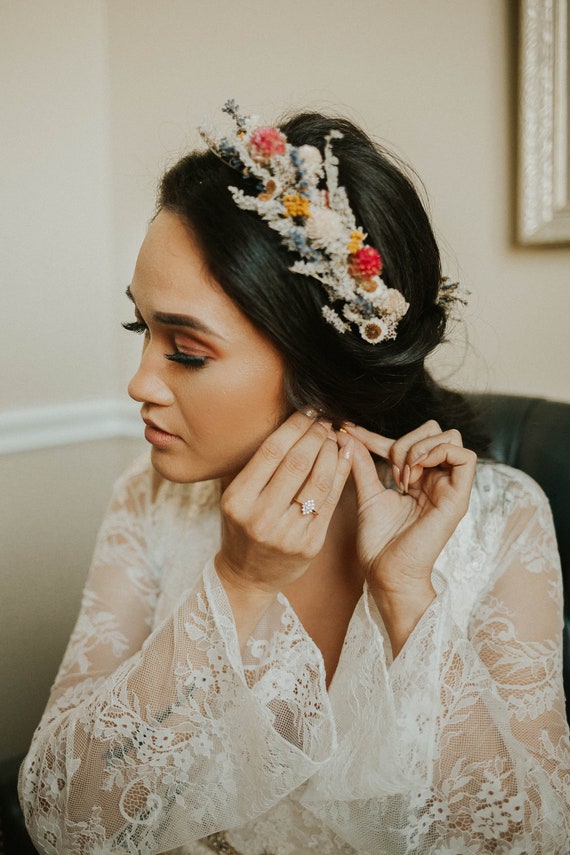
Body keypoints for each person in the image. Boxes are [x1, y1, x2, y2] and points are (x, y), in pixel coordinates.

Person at [18, 100, 570, 855]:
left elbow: (531, 841)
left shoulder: (503, 520)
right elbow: (62, 821)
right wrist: (236, 586)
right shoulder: (148, 503)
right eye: (138, 329)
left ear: (322, 368)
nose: (139, 382)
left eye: (185, 349)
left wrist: (409, 598)